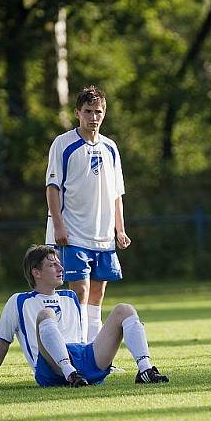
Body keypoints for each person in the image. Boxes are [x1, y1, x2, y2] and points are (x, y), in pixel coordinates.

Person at [0, 245, 168, 389]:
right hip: (50, 368)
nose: (60, 268)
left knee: (124, 309)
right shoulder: (19, 301)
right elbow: (2, 344)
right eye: (52, 265)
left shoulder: (70, 297)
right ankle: (71, 374)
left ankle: (145, 370)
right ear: (36, 273)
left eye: (59, 263)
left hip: (83, 358)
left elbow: (81, 339)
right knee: (46, 314)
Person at [45, 85, 130, 344]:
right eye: (88, 111)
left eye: (98, 112)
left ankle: (95, 352)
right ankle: (78, 349)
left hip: (102, 236)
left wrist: (120, 229)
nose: (94, 117)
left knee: (97, 296)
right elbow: (52, 187)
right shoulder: (63, 144)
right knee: (79, 293)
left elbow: (117, 194)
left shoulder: (111, 148)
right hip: (73, 235)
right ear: (77, 113)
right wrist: (58, 226)